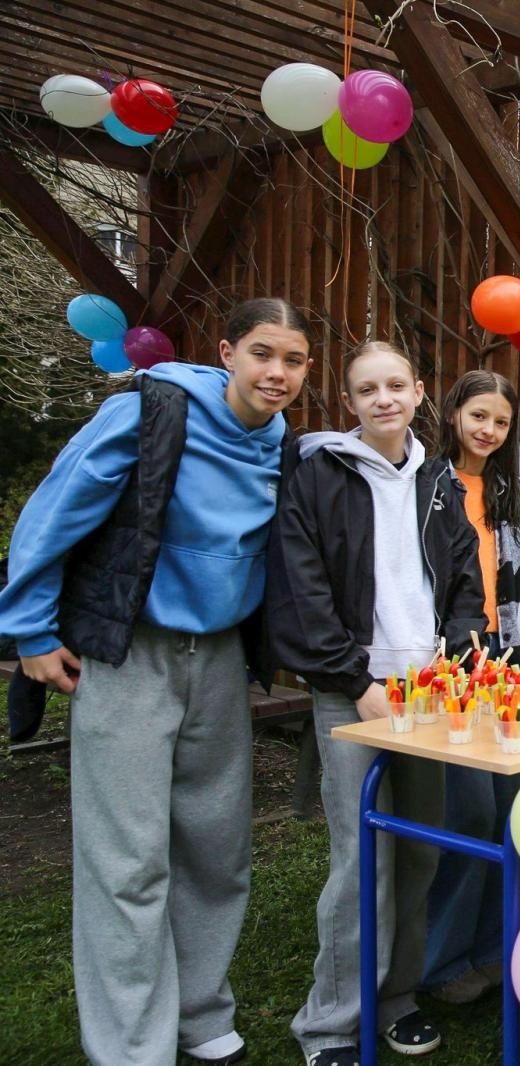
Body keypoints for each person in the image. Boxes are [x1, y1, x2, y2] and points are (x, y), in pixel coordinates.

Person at [0, 298, 312, 1066]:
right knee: (129, 861)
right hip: (128, 653)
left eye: (294, 360)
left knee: (216, 849)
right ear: (227, 351)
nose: (276, 373)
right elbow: (54, 510)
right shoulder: (153, 410)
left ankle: (200, 1015)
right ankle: (133, 1045)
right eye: (262, 353)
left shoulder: (283, 447)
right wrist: (30, 632)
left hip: (217, 663)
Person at [268, 341, 485, 1066]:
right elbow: (302, 590)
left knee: (419, 856)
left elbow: (462, 579)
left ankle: (396, 998)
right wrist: (354, 683)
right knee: (361, 864)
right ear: (350, 400)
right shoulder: (317, 475)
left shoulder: (438, 480)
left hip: (424, 697)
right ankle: (330, 1025)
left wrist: (462, 644)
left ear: (420, 392)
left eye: (396, 385)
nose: (384, 398)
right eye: (368, 389)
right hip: (351, 694)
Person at [422, 370, 520, 1005]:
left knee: (510, 807)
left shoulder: (506, 491)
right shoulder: (429, 485)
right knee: (468, 812)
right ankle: (440, 962)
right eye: (478, 416)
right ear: (454, 413)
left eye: (499, 421)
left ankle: (494, 948)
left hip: (506, 660)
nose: (488, 430)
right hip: (451, 660)